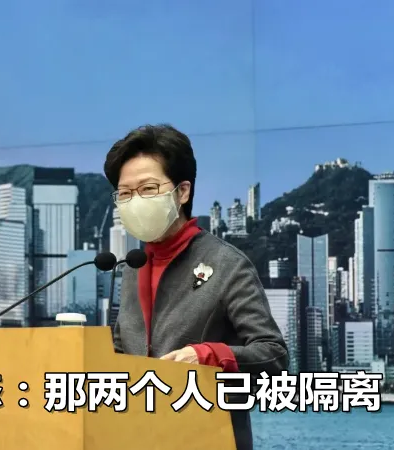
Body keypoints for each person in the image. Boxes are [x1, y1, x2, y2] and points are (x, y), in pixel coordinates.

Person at [104, 124, 288, 450]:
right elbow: (122, 352)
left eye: (148, 189)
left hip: (208, 438)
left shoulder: (228, 264)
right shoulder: (133, 266)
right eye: (125, 194)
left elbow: (274, 356)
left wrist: (208, 356)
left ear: (183, 192)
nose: (135, 201)